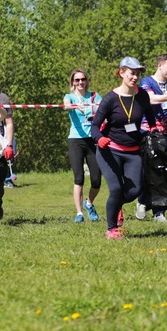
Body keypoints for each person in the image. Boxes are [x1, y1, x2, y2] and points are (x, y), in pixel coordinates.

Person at [90, 57, 158, 239]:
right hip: (109, 151)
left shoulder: (142, 95)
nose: (135, 77)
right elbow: (94, 126)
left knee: (135, 190)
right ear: (121, 72)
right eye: (131, 73)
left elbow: (150, 118)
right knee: (117, 189)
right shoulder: (110, 99)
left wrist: (154, 127)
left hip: (133, 151)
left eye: (137, 74)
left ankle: (116, 205)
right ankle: (111, 229)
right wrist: (100, 138)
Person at [137, 54, 167, 221]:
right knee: (148, 171)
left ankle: (159, 211)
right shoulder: (146, 82)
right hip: (147, 133)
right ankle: (142, 202)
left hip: (166, 134)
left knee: (163, 172)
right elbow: (149, 99)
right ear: (160, 65)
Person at [63, 69, 102, 223]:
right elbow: (65, 106)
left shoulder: (94, 96)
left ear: (86, 81)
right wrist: (74, 106)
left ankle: (89, 203)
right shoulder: (70, 97)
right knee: (79, 178)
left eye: (83, 79)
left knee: (96, 180)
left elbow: (103, 109)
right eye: (77, 80)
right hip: (75, 140)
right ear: (73, 82)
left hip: (92, 140)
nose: (80, 82)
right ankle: (79, 213)